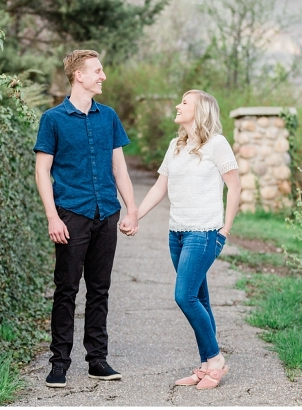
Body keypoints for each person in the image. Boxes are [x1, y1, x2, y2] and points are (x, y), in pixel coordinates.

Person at [121, 89, 241, 390]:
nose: (178, 105)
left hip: (204, 233)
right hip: (177, 233)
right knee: (199, 298)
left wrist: (225, 230)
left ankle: (215, 361)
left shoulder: (217, 144)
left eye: (185, 102)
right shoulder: (176, 145)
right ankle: (205, 365)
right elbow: (161, 187)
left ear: (200, 110)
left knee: (184, 296)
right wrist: (136, 215)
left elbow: (235, 188)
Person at [34, 49, 138, 388]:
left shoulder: (108, 117)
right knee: (66, 290)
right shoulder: (53, 119)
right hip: (71, 215)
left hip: (106, 213)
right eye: (97, 70)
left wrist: (132, 208)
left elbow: (118, 166)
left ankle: (97, 360)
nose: (102, 76)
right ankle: (59, 363)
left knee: (100, 290)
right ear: (79, 75)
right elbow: (42, 171)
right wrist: (52, 216)